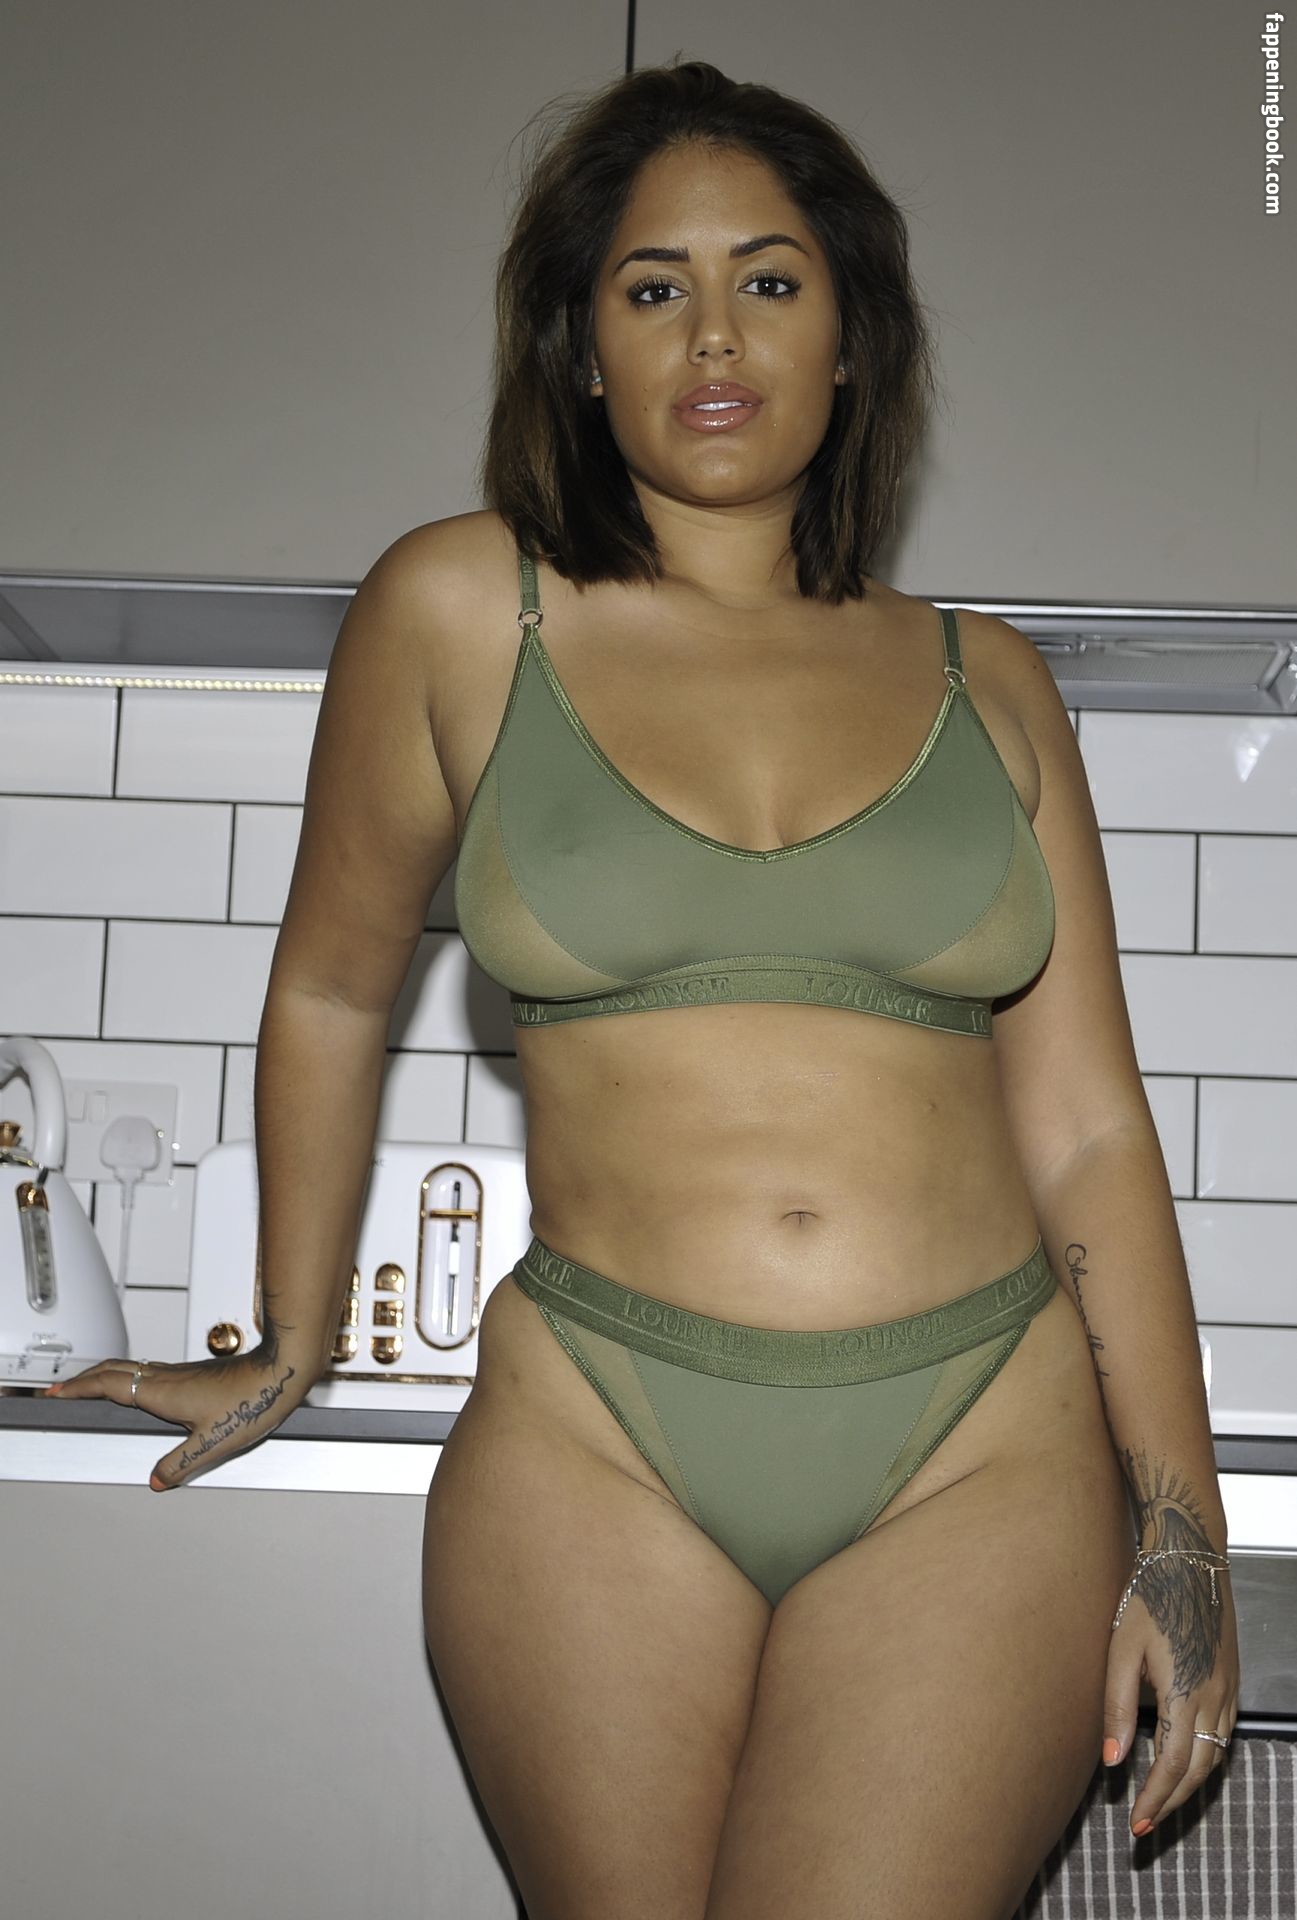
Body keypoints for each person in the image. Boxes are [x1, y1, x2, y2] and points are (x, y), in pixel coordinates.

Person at [50, 57, 1239, 1920]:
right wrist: (290, 1339)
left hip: (983, 1450)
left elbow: (1088, 1128)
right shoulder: (459, 609)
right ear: (580, 350)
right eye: (650, 284)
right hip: (597, 1437)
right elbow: (333, 992)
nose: (712, 333)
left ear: (851, 339)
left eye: (769, 279)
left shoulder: (991, 679)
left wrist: (1185, 1533)